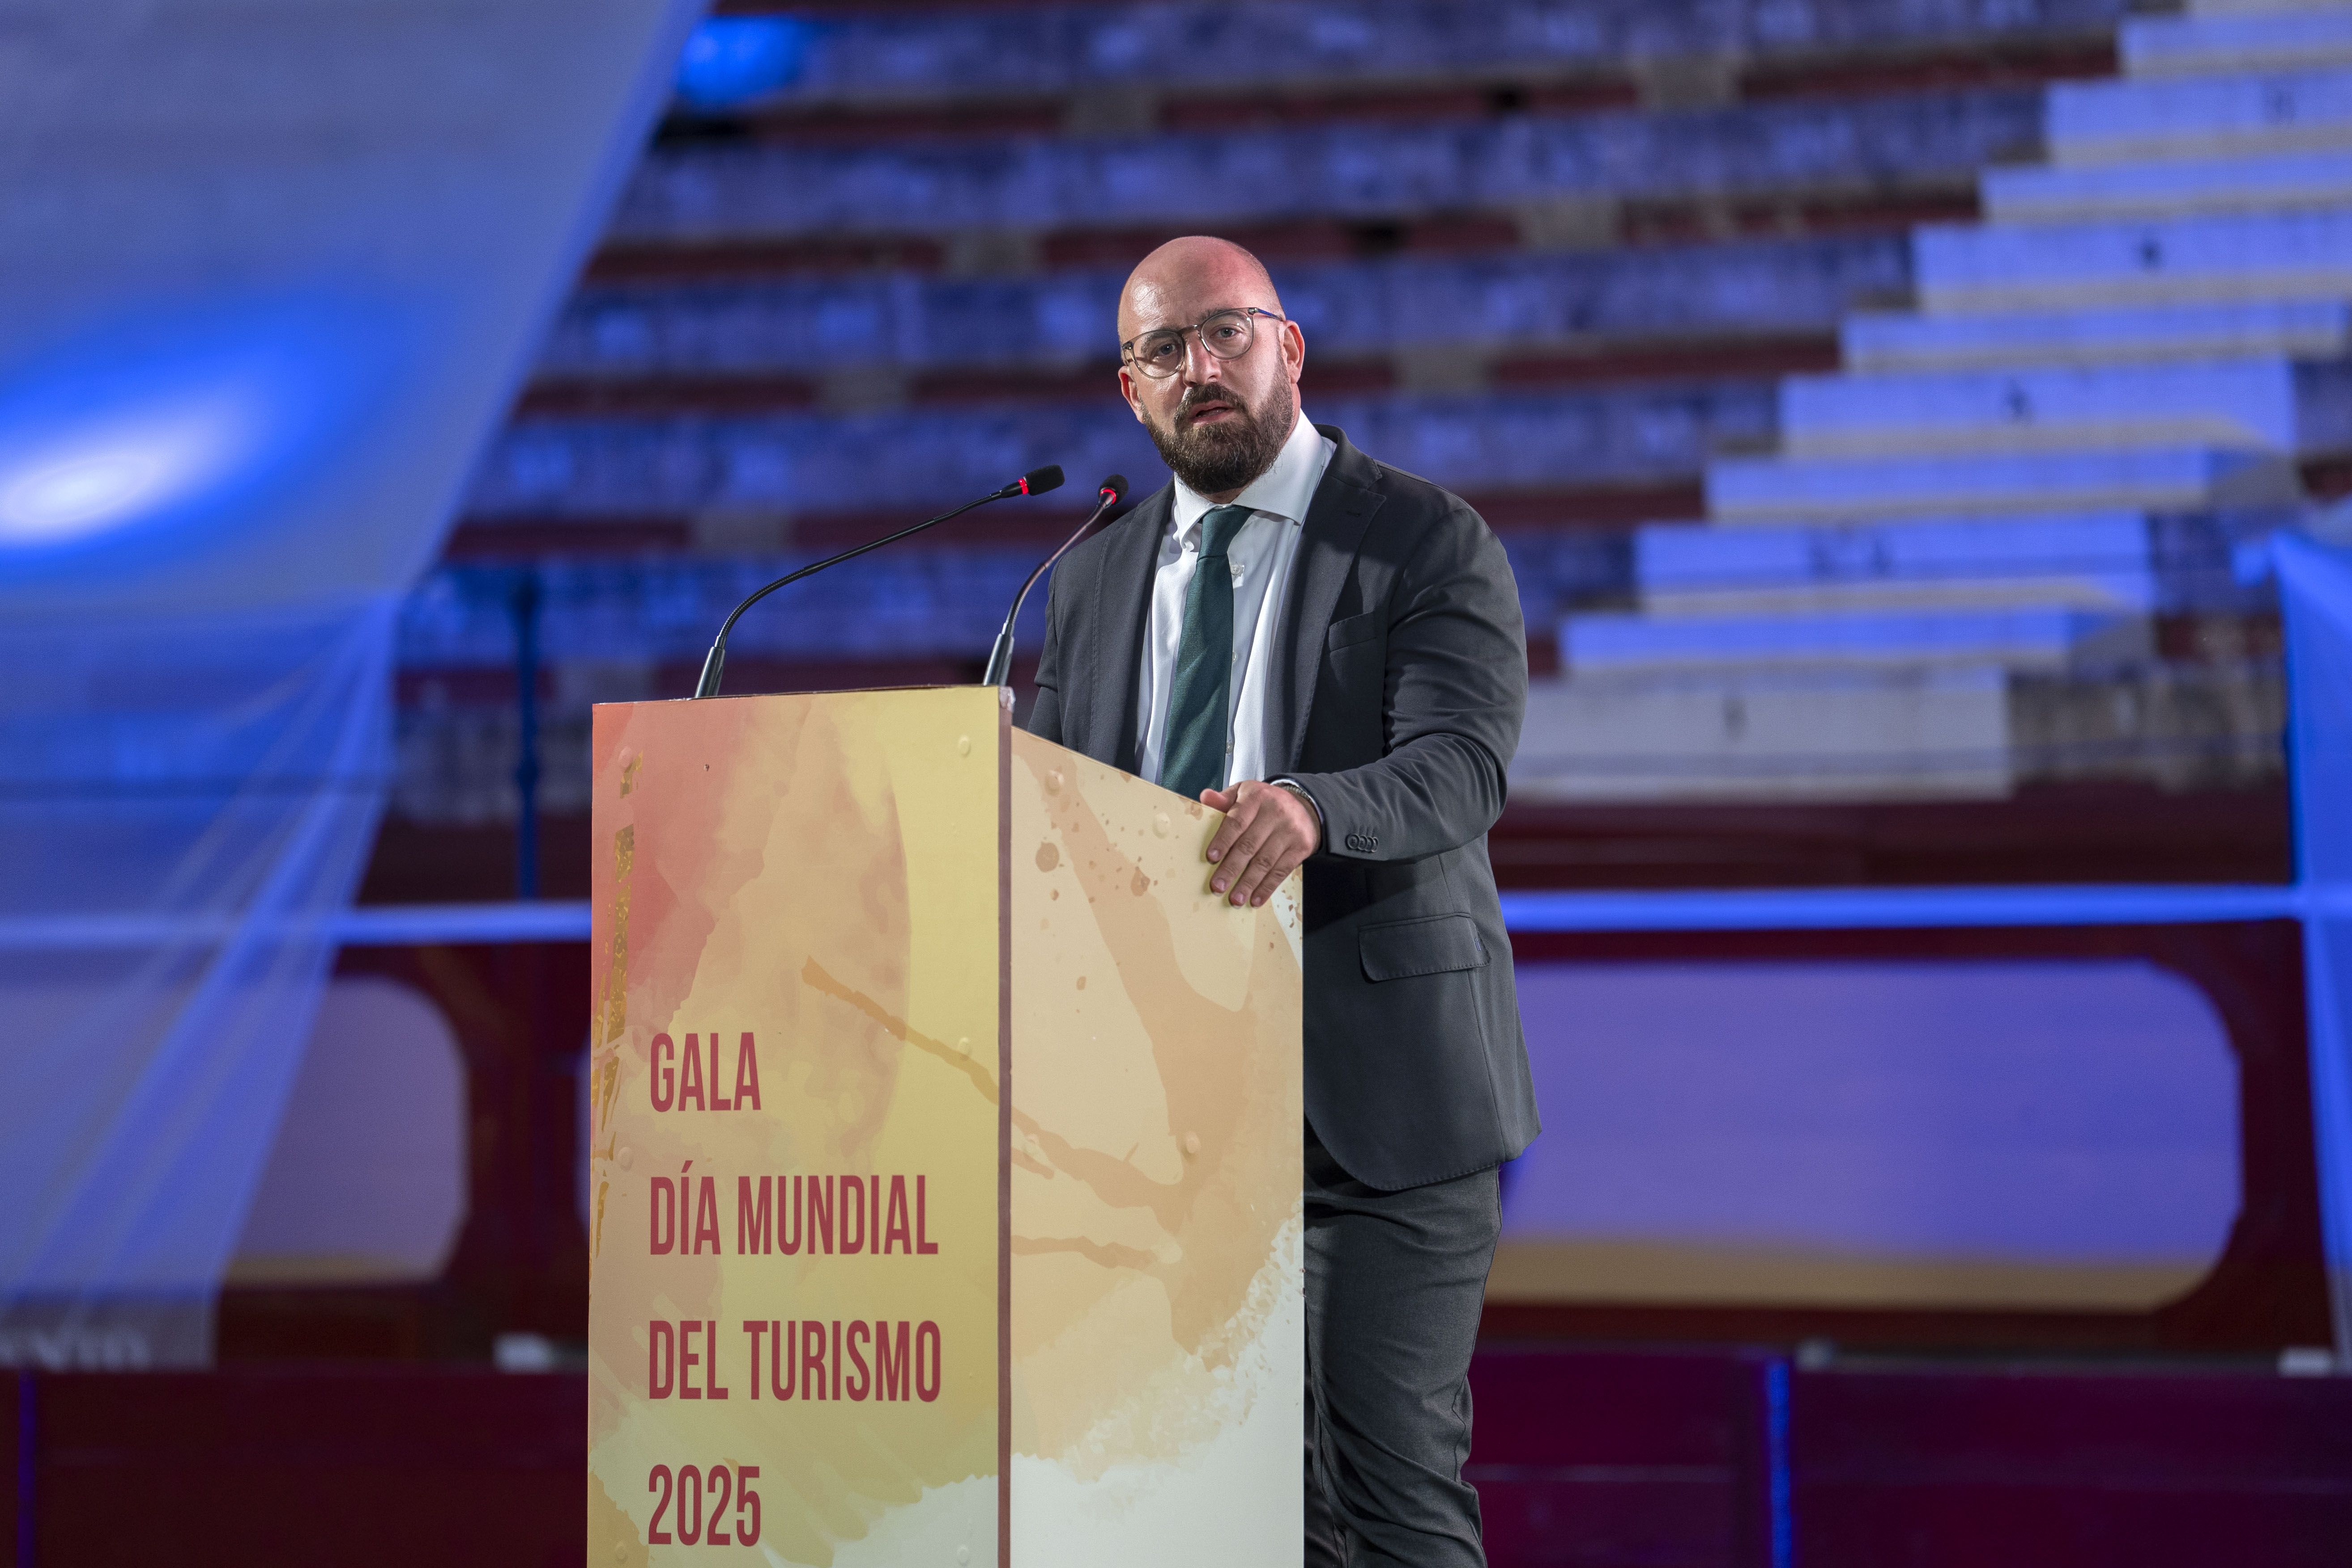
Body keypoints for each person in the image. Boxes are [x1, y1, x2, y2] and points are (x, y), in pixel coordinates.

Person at [1027, 234, 1539, 1567]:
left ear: (1290, 348)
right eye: (1164, 349)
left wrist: (1313, 808)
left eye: (1227, 332)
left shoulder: (1420, 537)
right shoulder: (1088, 579)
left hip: (1378, 1107)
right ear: (1129, 389)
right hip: (1165, 1122)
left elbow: (1462, 764)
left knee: (1387, 1496)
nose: (1200, 367)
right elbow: (1053, 812)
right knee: (1238, 1520)